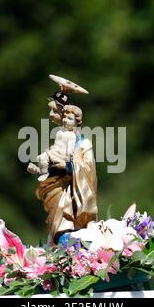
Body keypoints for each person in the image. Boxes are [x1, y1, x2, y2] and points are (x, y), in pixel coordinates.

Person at [27, 92, 98, 244]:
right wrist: (42, 169)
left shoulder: (82, 143)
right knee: (56, 225)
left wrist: (67, 167)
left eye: (54, 111)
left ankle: (70, 247)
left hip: (67, 192)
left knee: (62, 226)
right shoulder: (61, 135)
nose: (50, 115)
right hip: (55, 186)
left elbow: (88, 167)